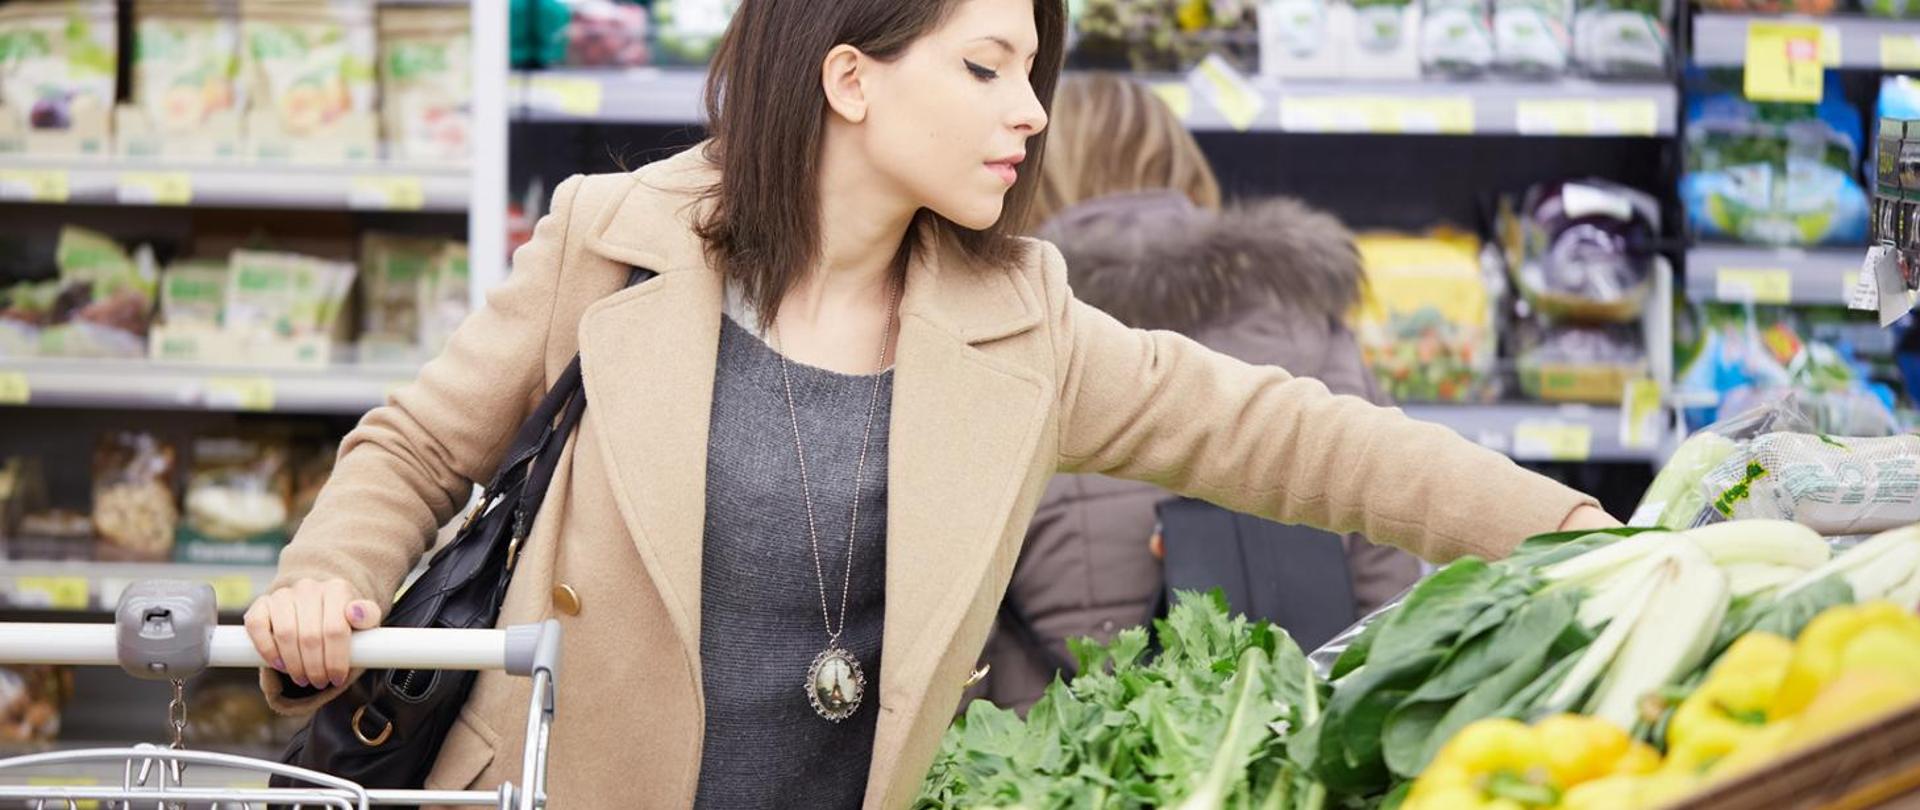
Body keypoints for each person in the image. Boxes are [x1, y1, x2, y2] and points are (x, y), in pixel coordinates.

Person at [244, 0, 1617, 807]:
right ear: (850, 76)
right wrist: (326, 579)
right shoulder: (617, 240)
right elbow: (419, 443)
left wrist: (1582, 530)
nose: (1027, 109)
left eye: (1032, 68)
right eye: (984, 66)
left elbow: (1305, 439)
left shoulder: (1022, 324)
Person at [972, 73, 1421, 713]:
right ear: (1184, 166)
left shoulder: (1002, 334)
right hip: (1291, 735)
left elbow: (962, 617)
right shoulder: (1302, 312)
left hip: (1073, 759)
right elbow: (1387, 556)